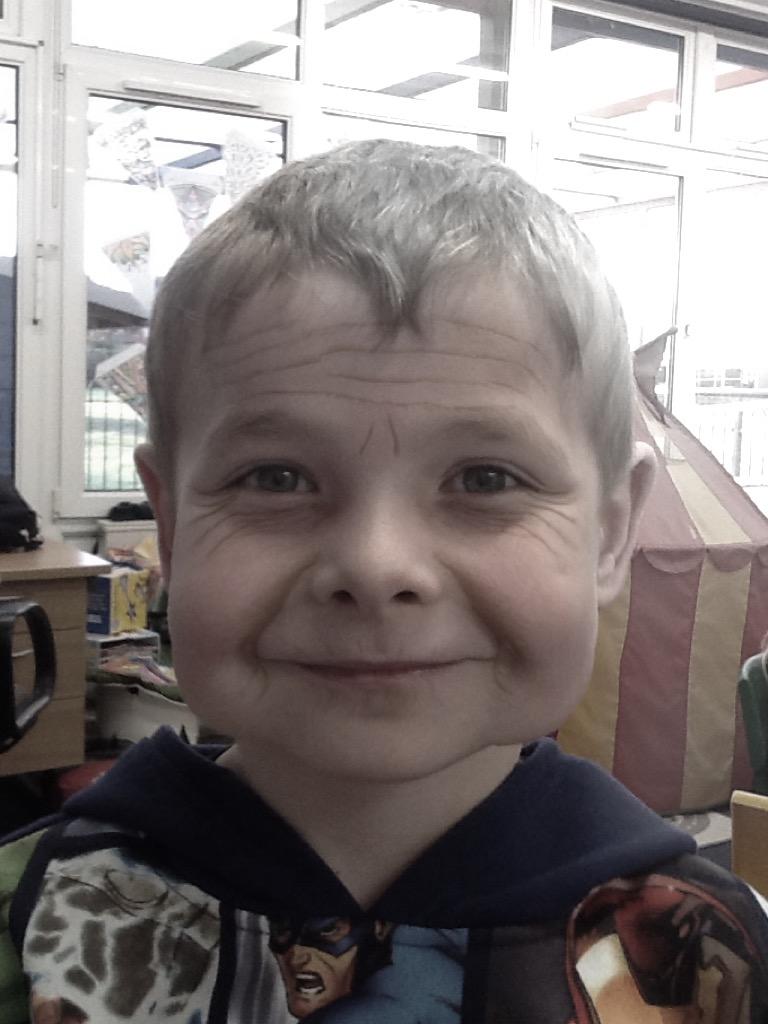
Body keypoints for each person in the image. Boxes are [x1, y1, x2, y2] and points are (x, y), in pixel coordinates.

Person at [1, 139, 767, 1023]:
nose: (375, 566)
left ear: (609, 533)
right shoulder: (26, 922)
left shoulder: (712, 958)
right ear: (169, 526)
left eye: (485, 479)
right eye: (276, 478)